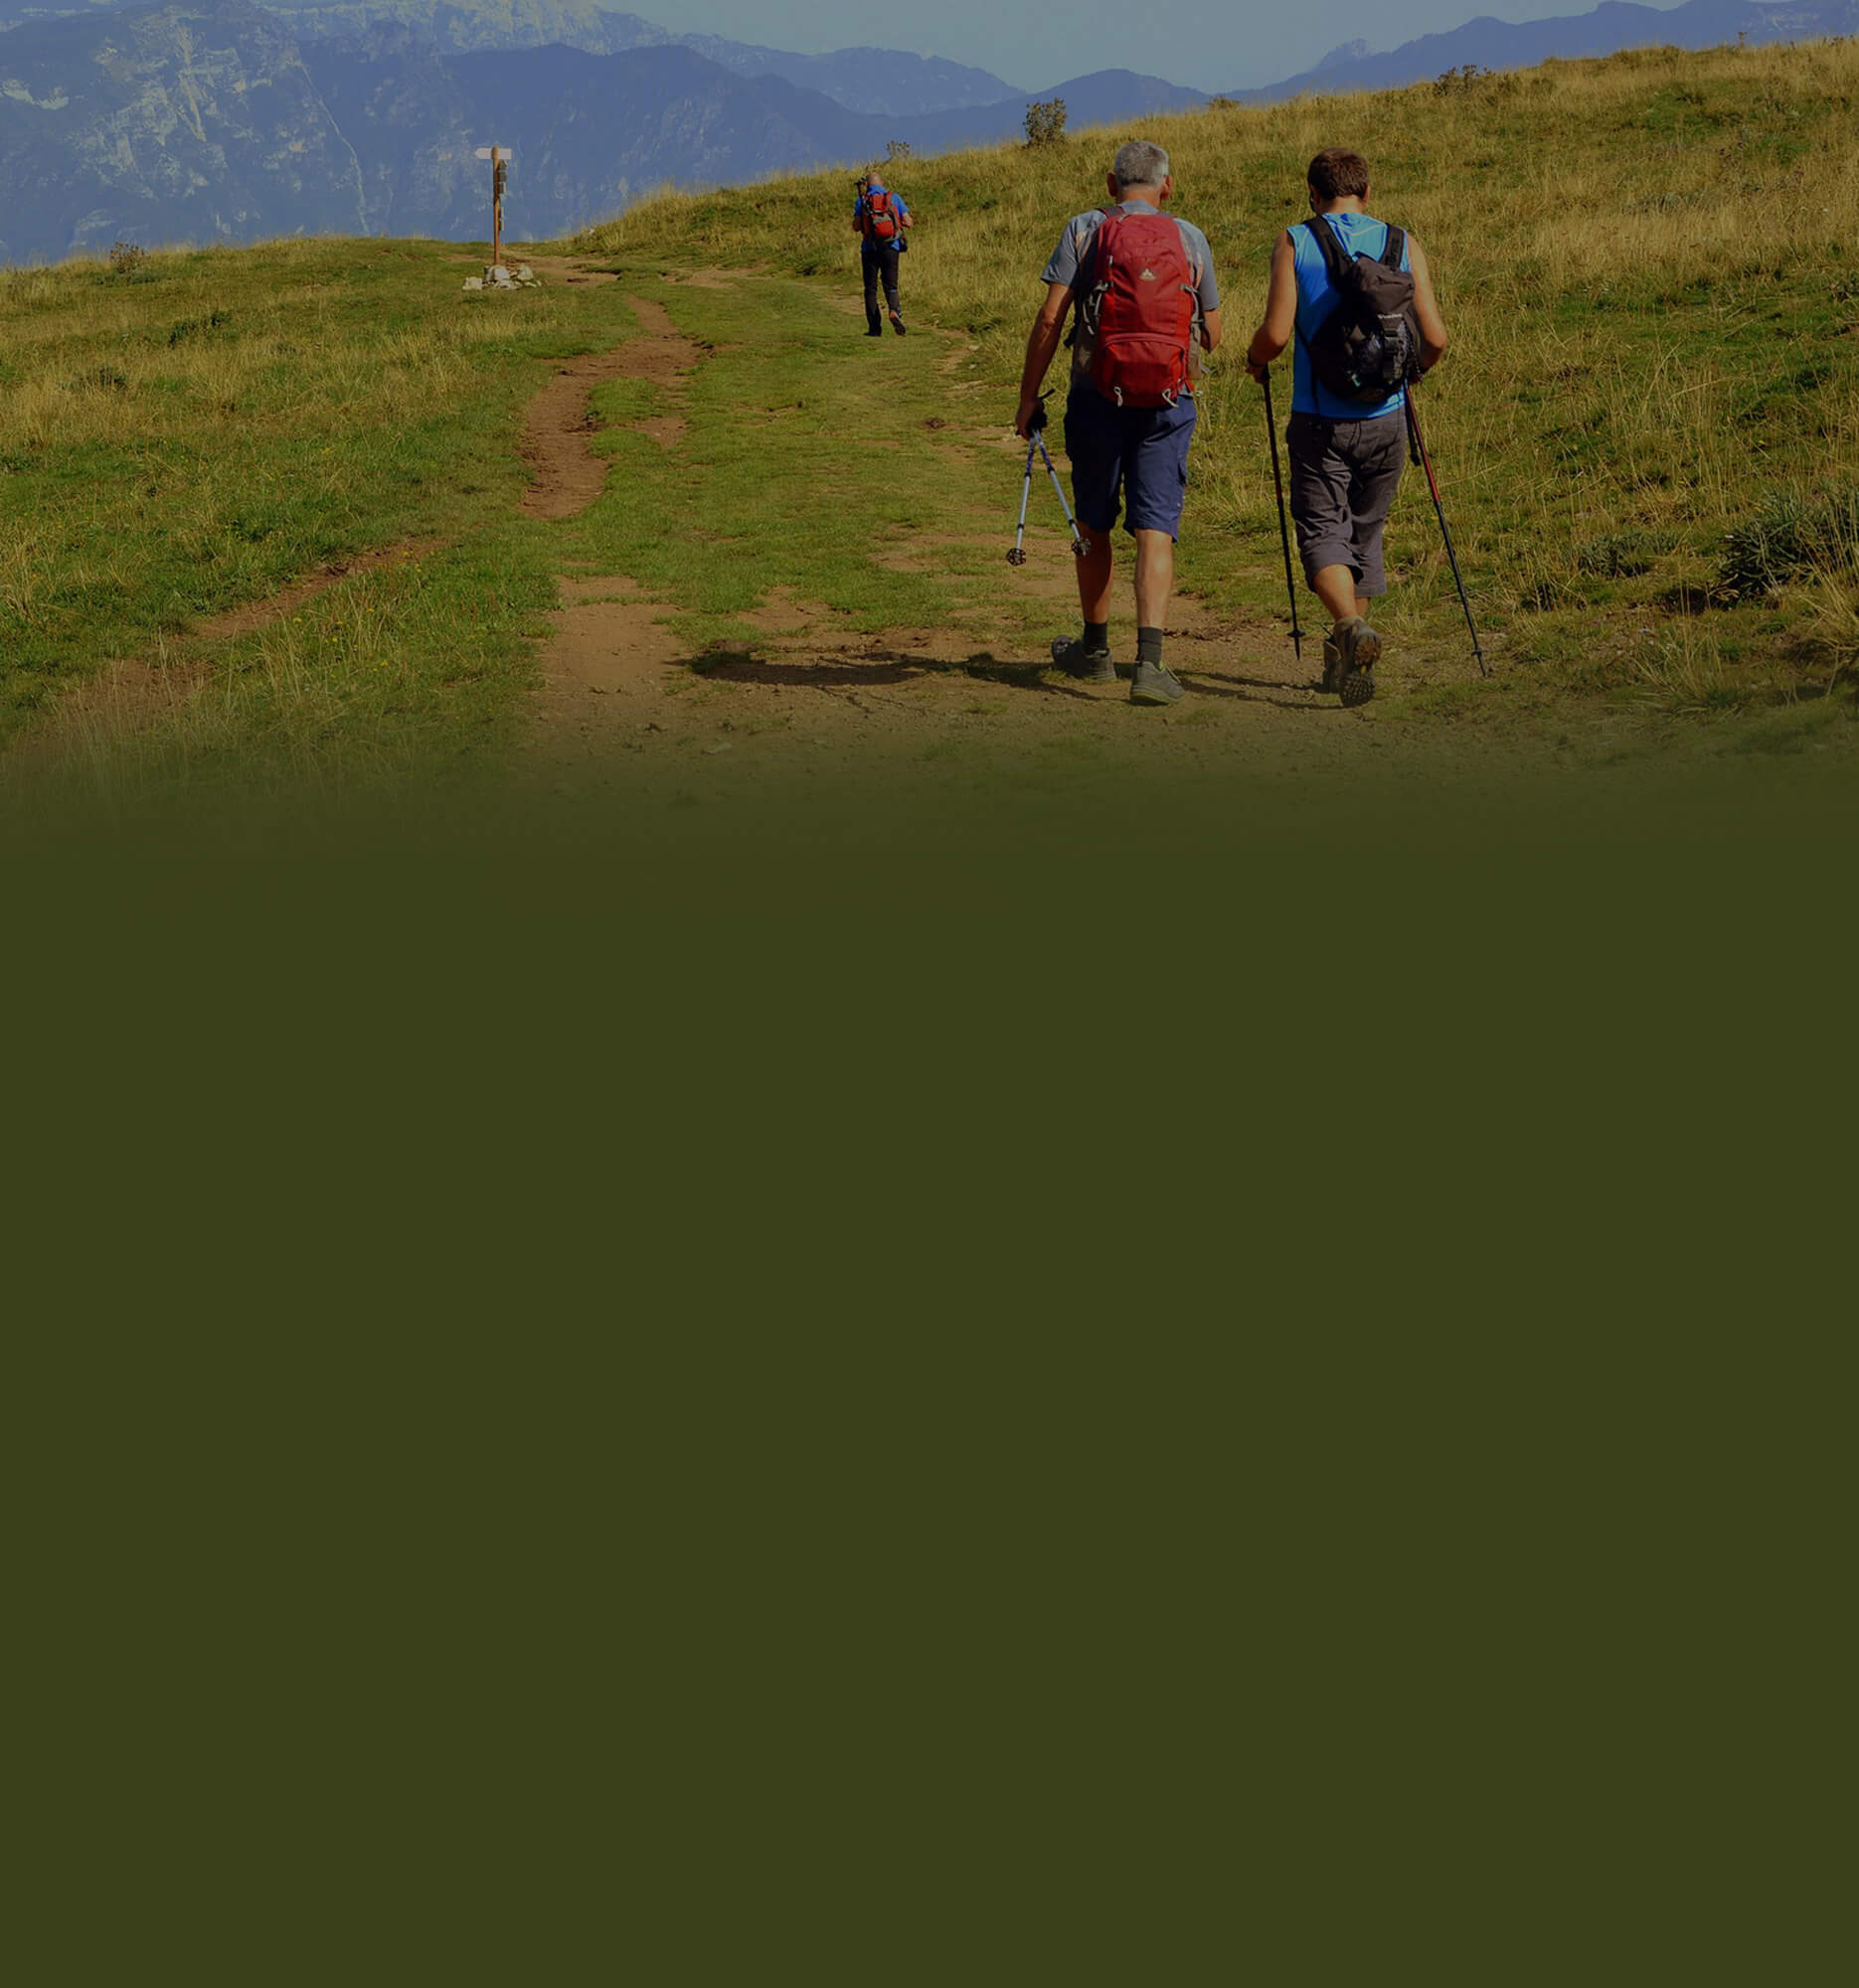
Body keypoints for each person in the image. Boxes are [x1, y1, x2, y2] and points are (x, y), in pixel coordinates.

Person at [1015, 140, 1221, 706]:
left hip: (1095, 396)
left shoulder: (1084, 229)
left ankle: (1096, 649)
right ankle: (1149, 665)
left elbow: (1050, 316)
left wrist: (1029, 396)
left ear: (1111, 185)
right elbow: (1213, 333)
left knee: (1093, 521)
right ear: (1167, 186)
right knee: (1155, 526)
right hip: (1168, 401)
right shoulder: (1190, 237)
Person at [1245, 147, 1449, 704]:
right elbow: (1435, 340)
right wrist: (1410, 379)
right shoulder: (1403, 242)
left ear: (1312, 193)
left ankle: (1350, 627)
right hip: (1388, 419)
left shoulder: (1295, 240)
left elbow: (1277, 333)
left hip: (1319, 419)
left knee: (1321, 532)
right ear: (1367, 192)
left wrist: (1255, 360)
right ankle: (1347, 668)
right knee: (1363, 534)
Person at [852, 171, 914, 336]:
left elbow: (856, 226)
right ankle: (894, 310)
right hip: (891, 247)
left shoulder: (862, 200)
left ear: (868, 185)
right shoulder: (894, 197)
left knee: (870, 288)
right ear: (882, 182)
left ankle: (874, 328)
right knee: (891, 284)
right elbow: (909, 222)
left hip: (869, 249)